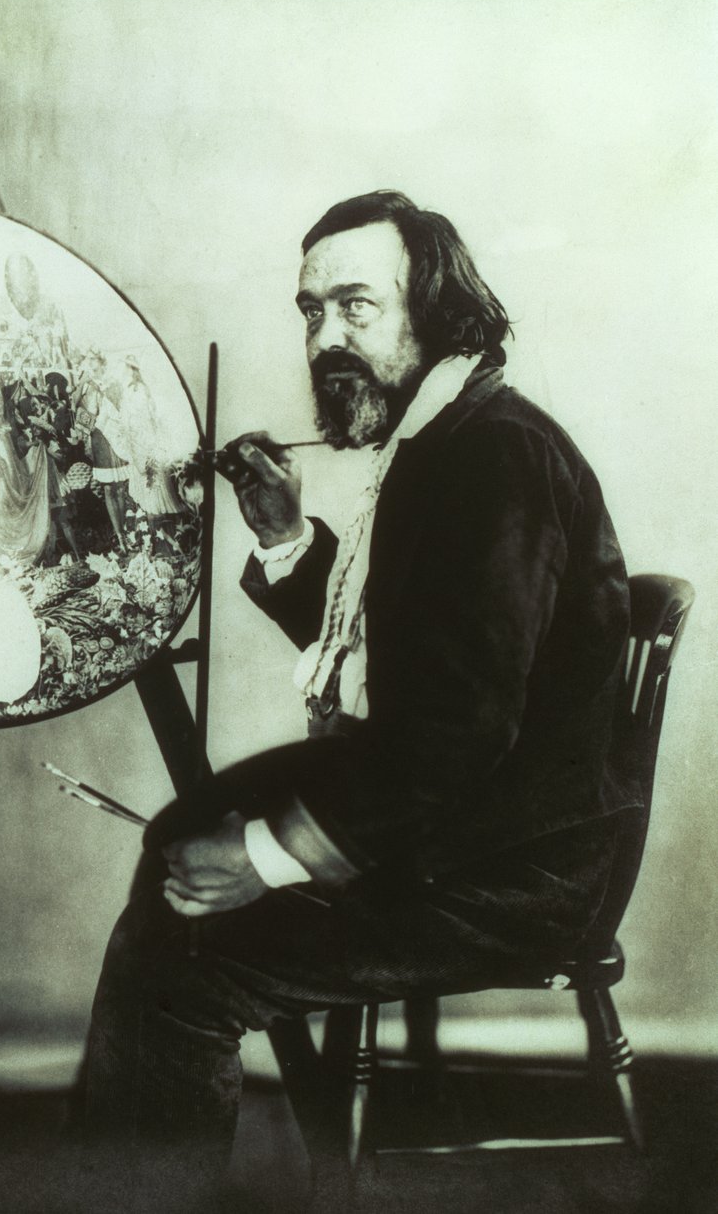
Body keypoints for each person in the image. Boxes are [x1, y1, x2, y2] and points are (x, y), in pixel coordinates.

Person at [78, 191, 636, 1207]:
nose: (326, 339)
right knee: (178, 845)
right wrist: (287, 536)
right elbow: (410, 656)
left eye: (356, 306)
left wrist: (263, 857)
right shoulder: (444, 436)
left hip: (513, 870)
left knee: (180, 964)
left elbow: (457, 731)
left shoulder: (494, 457)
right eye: (311, 312)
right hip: (483, 825)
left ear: (436, 312)